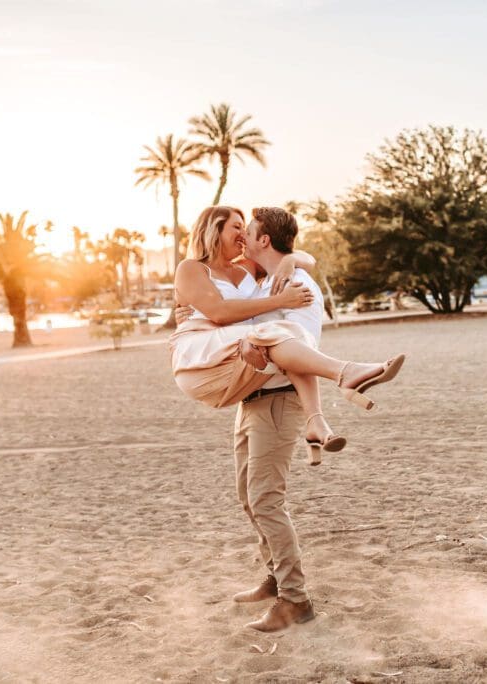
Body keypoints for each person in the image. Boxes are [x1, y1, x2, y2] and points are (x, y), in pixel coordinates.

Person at [169, 206, 405, 631]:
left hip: (278, 397)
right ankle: (276, 578)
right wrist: (287, 271)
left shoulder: (277, 279)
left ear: (262, 240)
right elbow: (227, 313)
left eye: (247, 229)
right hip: (250, 391)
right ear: (214, 231)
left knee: (265, 499)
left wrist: (294, 263)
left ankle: (295, 600)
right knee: (248, 496)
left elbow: (291, 323)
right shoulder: (250, 275)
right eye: (235, 228)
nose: (242, 235)